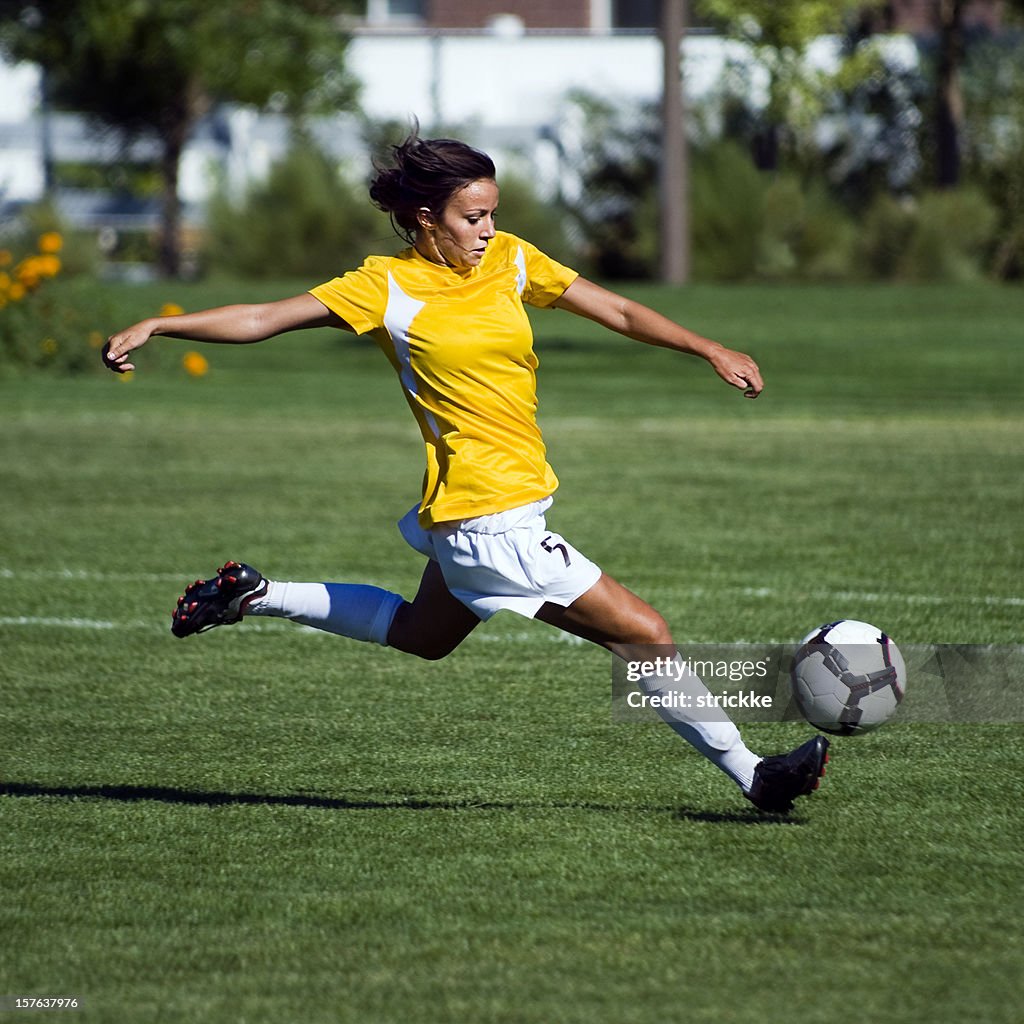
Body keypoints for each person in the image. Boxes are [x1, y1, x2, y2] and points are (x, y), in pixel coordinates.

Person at [103, 130, 828, 813]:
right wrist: (162, 324)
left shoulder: (510, 259)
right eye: (472, 216)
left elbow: (616, 309)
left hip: (475, 516)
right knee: (645, 633)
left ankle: (257, 595)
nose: (486, 229)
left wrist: (709, 349)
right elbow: (264, 318)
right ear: (426, 218)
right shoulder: (384, 287)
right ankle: (755, 776)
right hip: (489, 518)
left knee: (424, 633)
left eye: (491, 215)